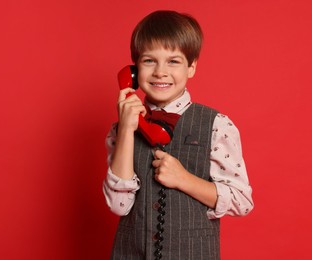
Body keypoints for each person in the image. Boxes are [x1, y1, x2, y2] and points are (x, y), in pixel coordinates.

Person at [103, 10, 254, 259]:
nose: (160, 72)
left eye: (173, 61)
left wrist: (184, 179)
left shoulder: (217, 125)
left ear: (191, 67)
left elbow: (242, 201)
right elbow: (119, 205)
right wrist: (128, 130)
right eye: (149, 61)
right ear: (133, 70)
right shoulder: (120, 131)